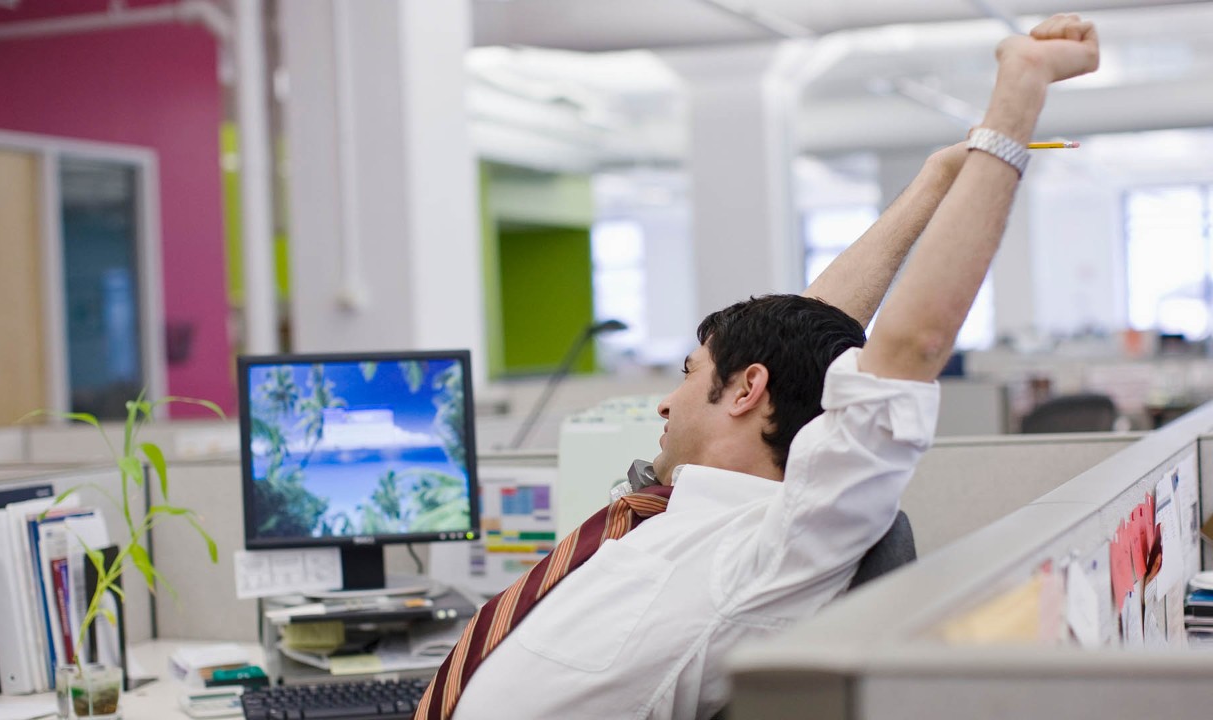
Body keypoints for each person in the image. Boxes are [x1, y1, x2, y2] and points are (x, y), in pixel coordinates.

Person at [419, 14, 1100, 720]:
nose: (664, 404)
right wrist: (932, 181)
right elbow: (796, 334)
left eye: (687, 374)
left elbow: (914, 347)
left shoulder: (780, 545)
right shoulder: (672, 509)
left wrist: (1014, 102)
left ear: (746, 391)